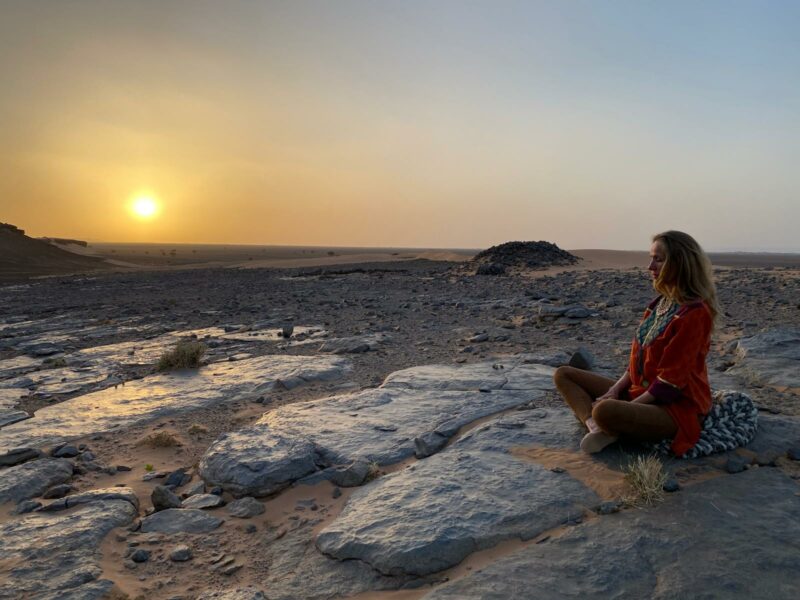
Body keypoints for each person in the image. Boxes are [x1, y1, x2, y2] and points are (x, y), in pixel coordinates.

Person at [554, 231, 720, 455]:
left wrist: (625, 407)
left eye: (659, 260)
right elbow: (636, 361)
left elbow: (669, 383)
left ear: (680, 263)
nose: (650, 266)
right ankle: (597, 428)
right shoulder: (659, 304)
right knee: (564, 374)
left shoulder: (695, 314)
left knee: (604, 410)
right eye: (651, 258)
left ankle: (607, 423)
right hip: (639, 392)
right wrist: (614, 391)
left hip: (673, 408)